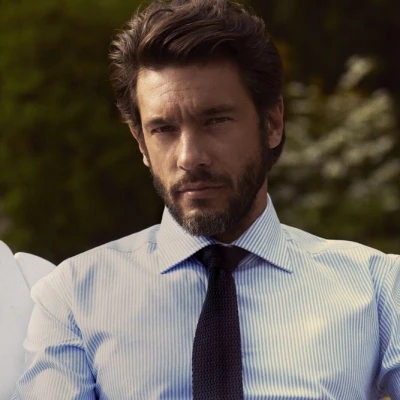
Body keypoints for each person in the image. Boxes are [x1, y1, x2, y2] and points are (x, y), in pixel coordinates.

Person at [12, 0, 400, 398]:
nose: (189, 157)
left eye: (215, 120)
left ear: (272, 123)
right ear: (140, 143)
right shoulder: (72, 296)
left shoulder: (377, 286)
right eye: (163, 129)